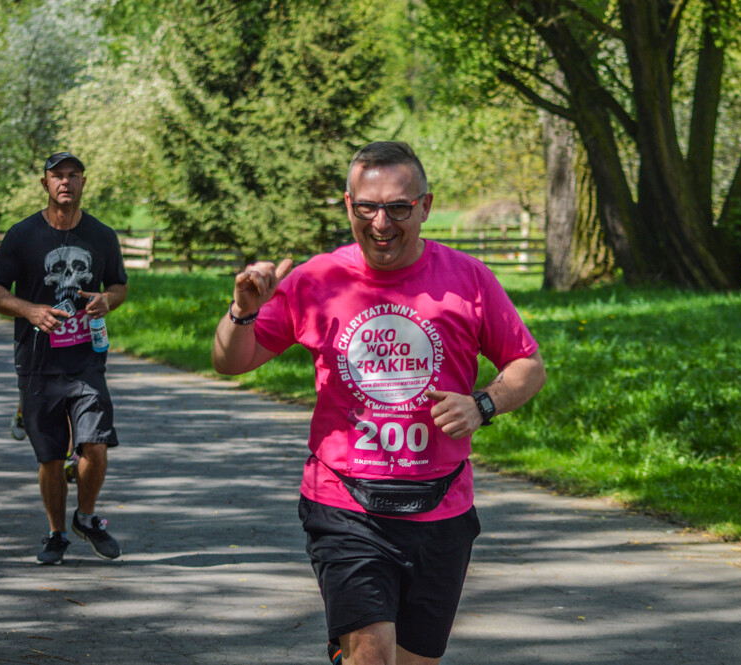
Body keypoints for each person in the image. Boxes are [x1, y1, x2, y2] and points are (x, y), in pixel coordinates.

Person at [213, 141, 546, 665]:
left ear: (426, 206)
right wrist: (242, 311)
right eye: (367, 207)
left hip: (441, 508)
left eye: (398, 207)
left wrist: (483, 404)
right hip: (344, 503)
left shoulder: (469, 280)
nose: (381, 222)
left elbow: (528, 364)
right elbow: (232, 362)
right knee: (372, 658)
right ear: (349, 206)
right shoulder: (317, 279)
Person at [0, 152, 128, 565]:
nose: (66, 182)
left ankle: (87, 517)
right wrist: (29, 310)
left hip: (85, 359)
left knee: (95, 445)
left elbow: (118, 285)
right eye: (57, 176)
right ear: (45, 185)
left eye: (73, 175)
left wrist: (107, 301)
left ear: (84, 183)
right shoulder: (22, 235)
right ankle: (57, 533)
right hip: (37, 361)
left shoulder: (101, 236)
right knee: (50, 456)